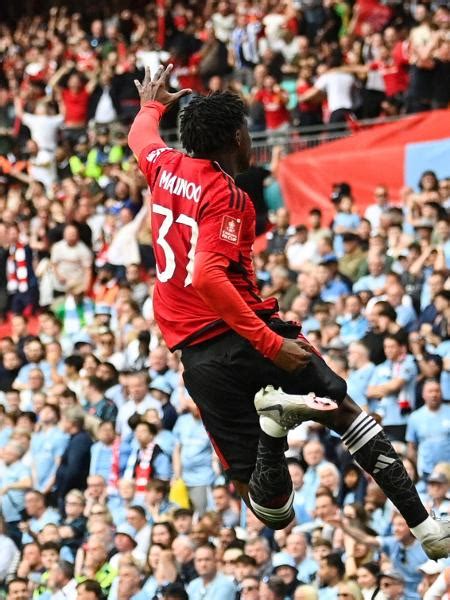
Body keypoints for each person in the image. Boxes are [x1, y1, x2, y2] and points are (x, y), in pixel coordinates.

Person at [128, 64, 449, 559]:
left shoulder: (162, 165)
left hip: (197, 359)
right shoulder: (227, 194)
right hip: (245, 331)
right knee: (345, 412)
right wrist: (270, 344)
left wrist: (152, 103)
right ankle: (426, 525)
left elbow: (139, 135)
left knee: (270, 512)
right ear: (237, 137)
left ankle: (273, 431)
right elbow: (208, 276)